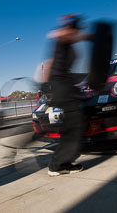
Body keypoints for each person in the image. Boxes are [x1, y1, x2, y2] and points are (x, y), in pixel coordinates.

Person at [46, 14, 91, 176]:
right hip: (62, 87)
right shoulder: (62, 37)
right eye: (77, 29)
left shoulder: (65, 41)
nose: (79, 32)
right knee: (73, 127)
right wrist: (86, 35)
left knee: (70, 126)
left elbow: (49, 64)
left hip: (64, 86)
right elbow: (61, 34)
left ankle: (60, 163)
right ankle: (58, 165)